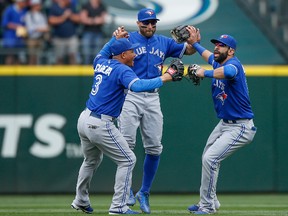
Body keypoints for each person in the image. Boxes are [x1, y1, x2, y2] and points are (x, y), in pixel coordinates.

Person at [70, 30, 182, 214]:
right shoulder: (122, 70)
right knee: (128, 160)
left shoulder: (101, 61)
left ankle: (80, 199)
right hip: (100, 123)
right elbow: (138, 86)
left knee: (90, 161)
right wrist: (166, 76)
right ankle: (118, 207)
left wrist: (115, 39)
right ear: (123, 55)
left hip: (84, 119)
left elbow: (103, 52)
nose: (135, 54)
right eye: (131, 51)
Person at [113, 8, 198, 214]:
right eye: (146, 23)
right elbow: (112, 56)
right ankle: (125, 194)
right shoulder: (128, 39)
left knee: (154, 147)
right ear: (138, 23)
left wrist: (194, 42)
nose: (150, 26)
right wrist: (115, 40)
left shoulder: (163, 41)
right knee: (126, 147)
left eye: (153, 22)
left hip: (152, 96)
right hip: (130, 95)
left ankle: (144, 192)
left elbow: (187, 51)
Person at [185, 27, 257, 215]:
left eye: (222, 46)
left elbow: (229, 72)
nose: (217, 48)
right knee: (207, 157)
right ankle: (209, 201)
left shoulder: (234, 65)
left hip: (241, 126)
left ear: (231, 51)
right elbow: (208, 56)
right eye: (216, 44)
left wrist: (204, 73)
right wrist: (194, 44)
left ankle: (207, 207)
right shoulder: (218, 62)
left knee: (211, 159)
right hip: (225, 123)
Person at [48, 0, 80, 64]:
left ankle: (73, 73)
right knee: (59, 58)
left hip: (71, 37)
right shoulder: (54, 7)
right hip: (59, 37)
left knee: (73, 57)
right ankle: (58, 74)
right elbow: (51, 21)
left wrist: (70, 15)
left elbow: (78, 19)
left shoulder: (72, 6)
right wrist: (64, 16)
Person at [80, 0, 107, 65]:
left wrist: (90, 20)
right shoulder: (86, 5)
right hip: (87, 32)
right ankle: (86, 68)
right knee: (86, 53)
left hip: (98, 32)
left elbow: (103, 19)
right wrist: (95, 20)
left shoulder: (102, 5)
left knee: (98, 53)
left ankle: (96, 67)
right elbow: (83, 19)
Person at [1, 0, 28, 64]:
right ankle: (7, 73)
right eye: (23, 2)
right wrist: (17, 27)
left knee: (18, 57)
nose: (24, 3)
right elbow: (5, 23)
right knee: (10, 55)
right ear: (18, 2)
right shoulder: (9, 10)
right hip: (10, 37)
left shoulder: (24, 11)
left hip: (20, 37)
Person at [24, 0, 49, 65]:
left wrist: (37, 28)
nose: (40, 6)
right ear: (34, 6)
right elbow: (30, 29)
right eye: (38, 5)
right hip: (31, 39)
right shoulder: (28, 15)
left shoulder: (42, 15)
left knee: (40, 57)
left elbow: (46, 28)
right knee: (32, 57)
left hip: (40, 38)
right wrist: (39, 28)